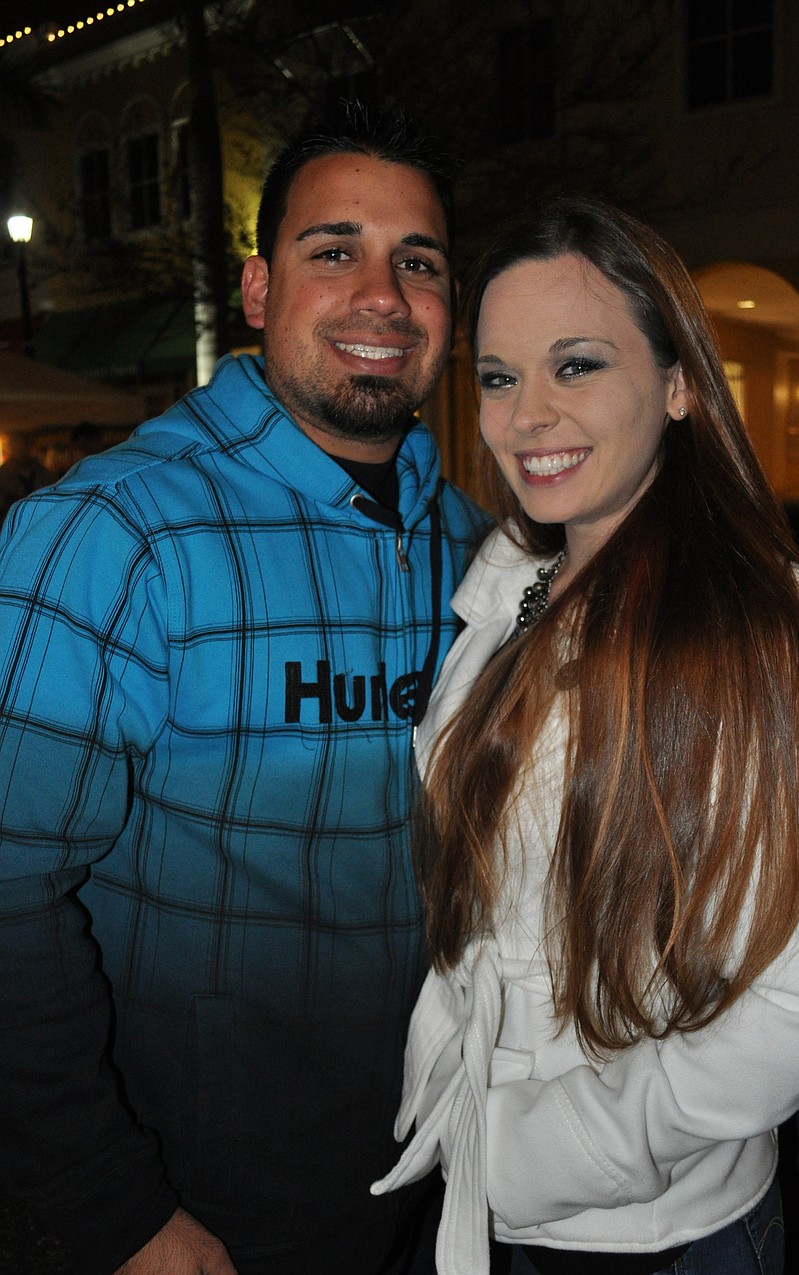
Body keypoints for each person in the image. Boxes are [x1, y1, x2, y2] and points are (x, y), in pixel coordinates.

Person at [0, 101, 485, 1275]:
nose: (382, 295)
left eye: (417, 263)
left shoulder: (472, 542)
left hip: (435, 1180)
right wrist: (108, 1204)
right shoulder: (109, 533)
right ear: (261, 292)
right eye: (337, 251)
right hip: (192, 1206)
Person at [372, 196, 799, 1274]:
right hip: (484, 1197)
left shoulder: (754, 619)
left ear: (679, 382)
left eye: (574, 365)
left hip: (656, 1234)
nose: (526, 415)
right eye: (498, 377)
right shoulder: (505, 595)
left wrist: (562, 1147)